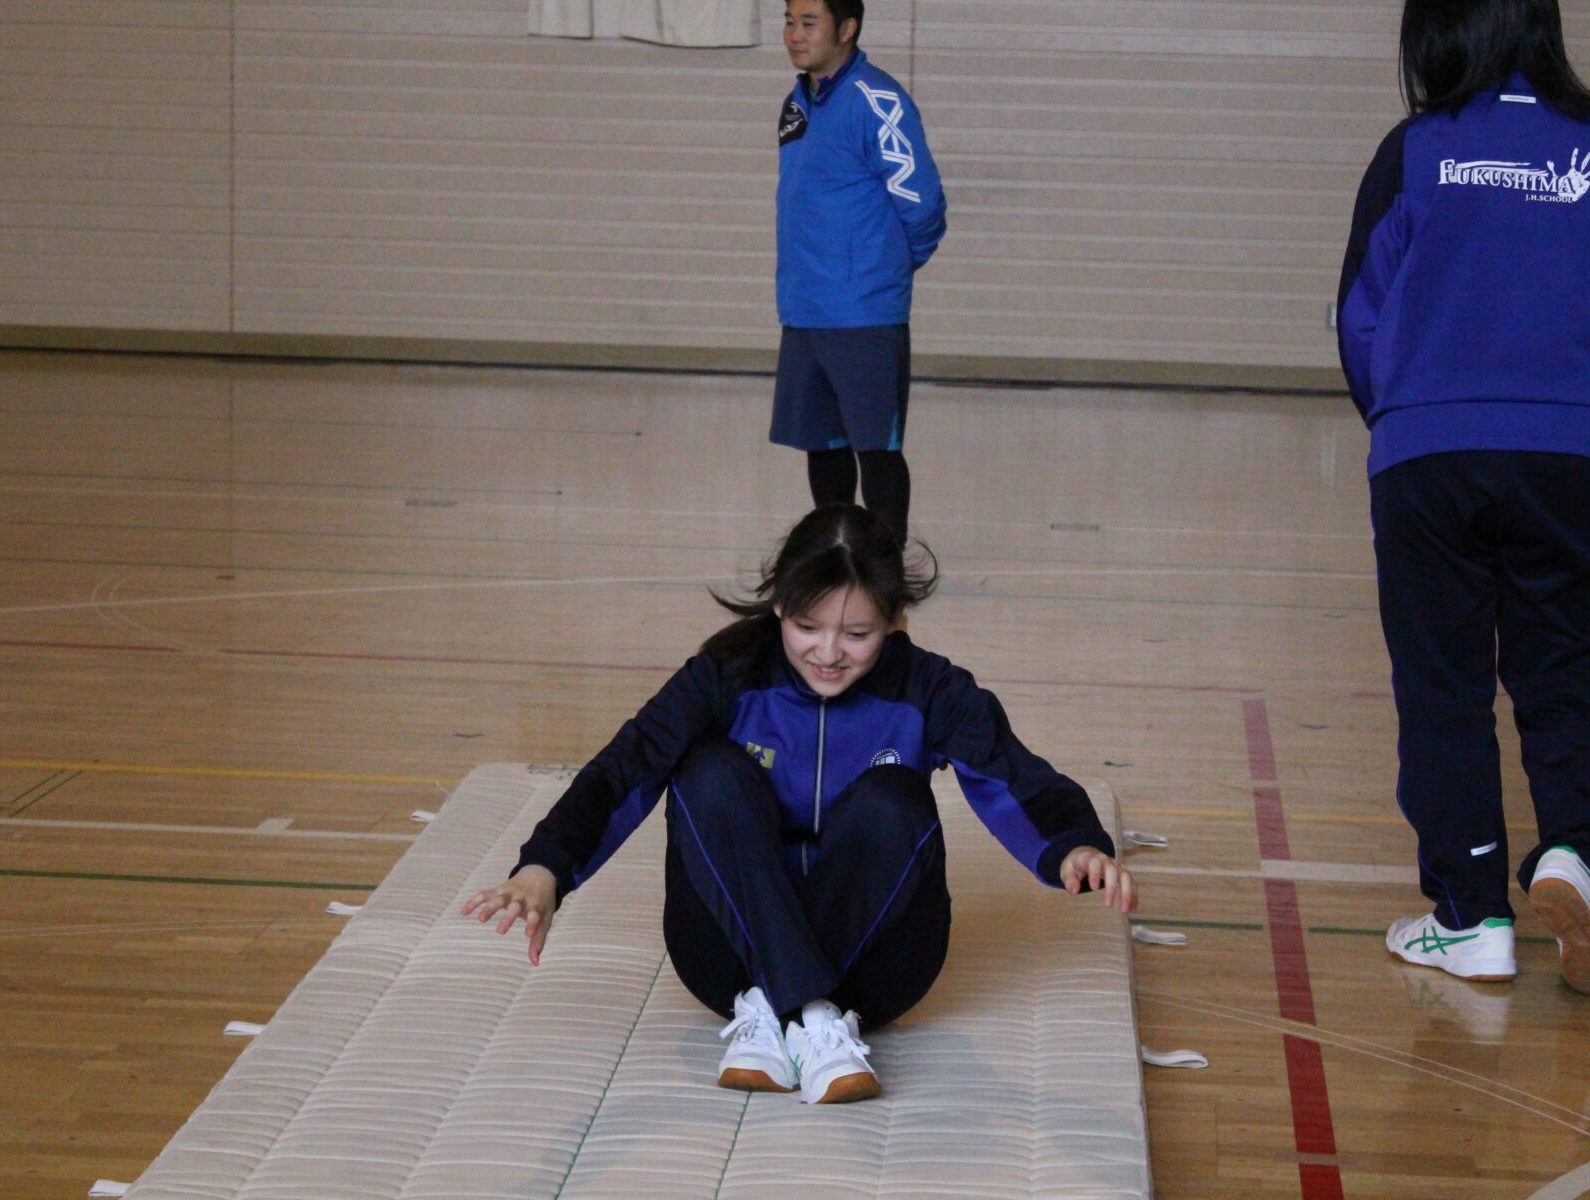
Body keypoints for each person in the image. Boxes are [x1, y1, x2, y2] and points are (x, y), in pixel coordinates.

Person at [463, 504, 1134, 1104]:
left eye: (857, 634)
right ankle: (811, 1016)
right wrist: (544, 869)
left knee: (894, 800)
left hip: (878, 971)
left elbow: (1014, 775)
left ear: (895, 620)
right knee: (706, 771)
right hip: (724, 960)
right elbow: (624, 768)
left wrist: (1075, 842)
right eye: (808, 626)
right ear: (779, 604)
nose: (829, 653)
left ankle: (777, 1008)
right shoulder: (726, 676)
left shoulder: (929, 688)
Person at [1336, 0, 1590, 995]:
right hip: (1565, 451)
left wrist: (1399, 414)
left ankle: (1473, 916)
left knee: (1445, 687)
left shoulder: (1416, 149)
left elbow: (1360, 309)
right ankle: (1571, 854)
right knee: (1565, 667)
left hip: (1429, 448)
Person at [771, 0, 947, 545]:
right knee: (822, 443)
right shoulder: (798, 101)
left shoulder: (878, 100)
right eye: (789, 21)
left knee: (876, 446)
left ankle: (886, 564)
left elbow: (923, 204)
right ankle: (837, 554)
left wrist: (884, 270)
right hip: (806, 308)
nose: (794, 35)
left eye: (808, 23)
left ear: (846, 29)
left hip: (864, 312)